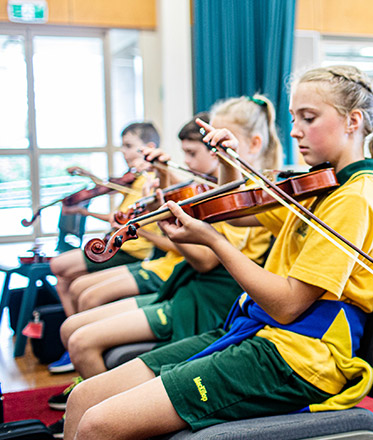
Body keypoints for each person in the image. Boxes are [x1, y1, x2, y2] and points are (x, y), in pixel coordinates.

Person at [62, 65, 373, 440]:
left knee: (97, 424)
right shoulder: (320, 187)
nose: (295, 130)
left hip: (298, 360)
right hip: (255, 334)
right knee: (84, 399)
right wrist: (225, 161)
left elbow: (287, 305)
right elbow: (235, 214)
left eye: (309, 118)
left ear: (353, 121)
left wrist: (212, 242)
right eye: (293, 118)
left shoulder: (355, 199)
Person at [44, 100, 278, 435]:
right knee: (78, 322)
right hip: (191, 287)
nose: (196, 159)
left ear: (253, 144)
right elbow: (217, 221)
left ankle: (112, 418)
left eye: (212, 146)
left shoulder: (263, 195)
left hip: (212, 297)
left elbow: (207, 258)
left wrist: (165, 225)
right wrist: (166, 194)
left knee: (82, 333)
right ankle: (100, 411)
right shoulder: (225, 190)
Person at [46, 115, 220, 376]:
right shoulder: (190, 185)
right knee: (76, 297)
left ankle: (87, 367)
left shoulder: (218, 196)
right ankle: (84, 364)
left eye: (191, 153)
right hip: (168, 267)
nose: (186, 162)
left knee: (85, 293)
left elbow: (202, 257)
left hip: (166, 268)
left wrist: (152, 225)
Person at [50, 122, 161, 317]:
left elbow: (122, 219)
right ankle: (73, 330)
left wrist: (85, 213)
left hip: (130, 248)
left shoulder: (149, 180)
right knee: (64, 281)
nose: (123, 151)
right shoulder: (135, 178)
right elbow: (109, 193)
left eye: (128, 146)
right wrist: (87, 175)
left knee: (58, 266)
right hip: (118, 242)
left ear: (149, 148)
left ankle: (77, 329)